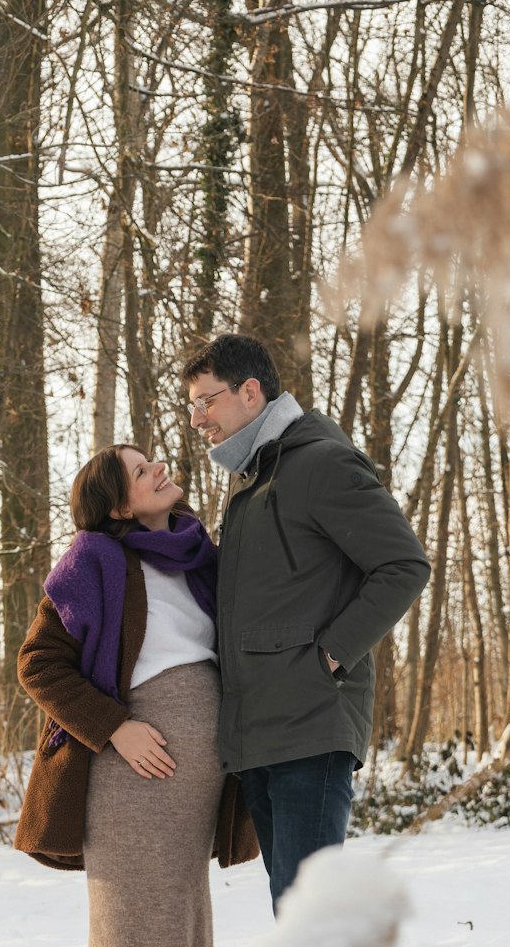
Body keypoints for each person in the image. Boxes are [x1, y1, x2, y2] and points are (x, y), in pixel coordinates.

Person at [14, 445, 257, 947]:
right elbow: (38, 663)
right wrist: (115, 727)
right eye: (139, 469)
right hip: (131, 771)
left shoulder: (193, 552)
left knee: (169, 920)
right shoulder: (93, 558)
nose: (158, 468)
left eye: (153, 460)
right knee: (133, 920)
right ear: (119, 506)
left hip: (191, 780)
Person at [183, 332, 430, 905]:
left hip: (310, 727)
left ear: (250, 392)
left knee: (306, 921)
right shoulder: (254, 481)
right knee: (291, 912)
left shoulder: (319, 463)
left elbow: (403, 564)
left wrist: (329, 657)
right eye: (191, 406)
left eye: (205, 401)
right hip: (265, 734)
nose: (197, 421)